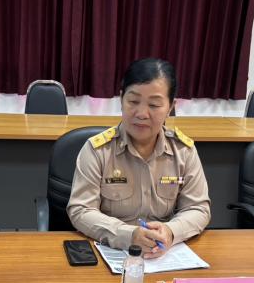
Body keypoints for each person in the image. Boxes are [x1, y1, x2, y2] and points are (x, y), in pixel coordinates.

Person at [67, 58, 210, 258]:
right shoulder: (98, 150)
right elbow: (81, 210)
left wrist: (170, 231)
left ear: (171, 107)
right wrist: (129, 235)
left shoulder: (183, 151)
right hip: (112, 251)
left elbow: (198, 208)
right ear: (121, 99)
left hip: (164, 254)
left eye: (154, 105)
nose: (142, 113)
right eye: (133, 102)